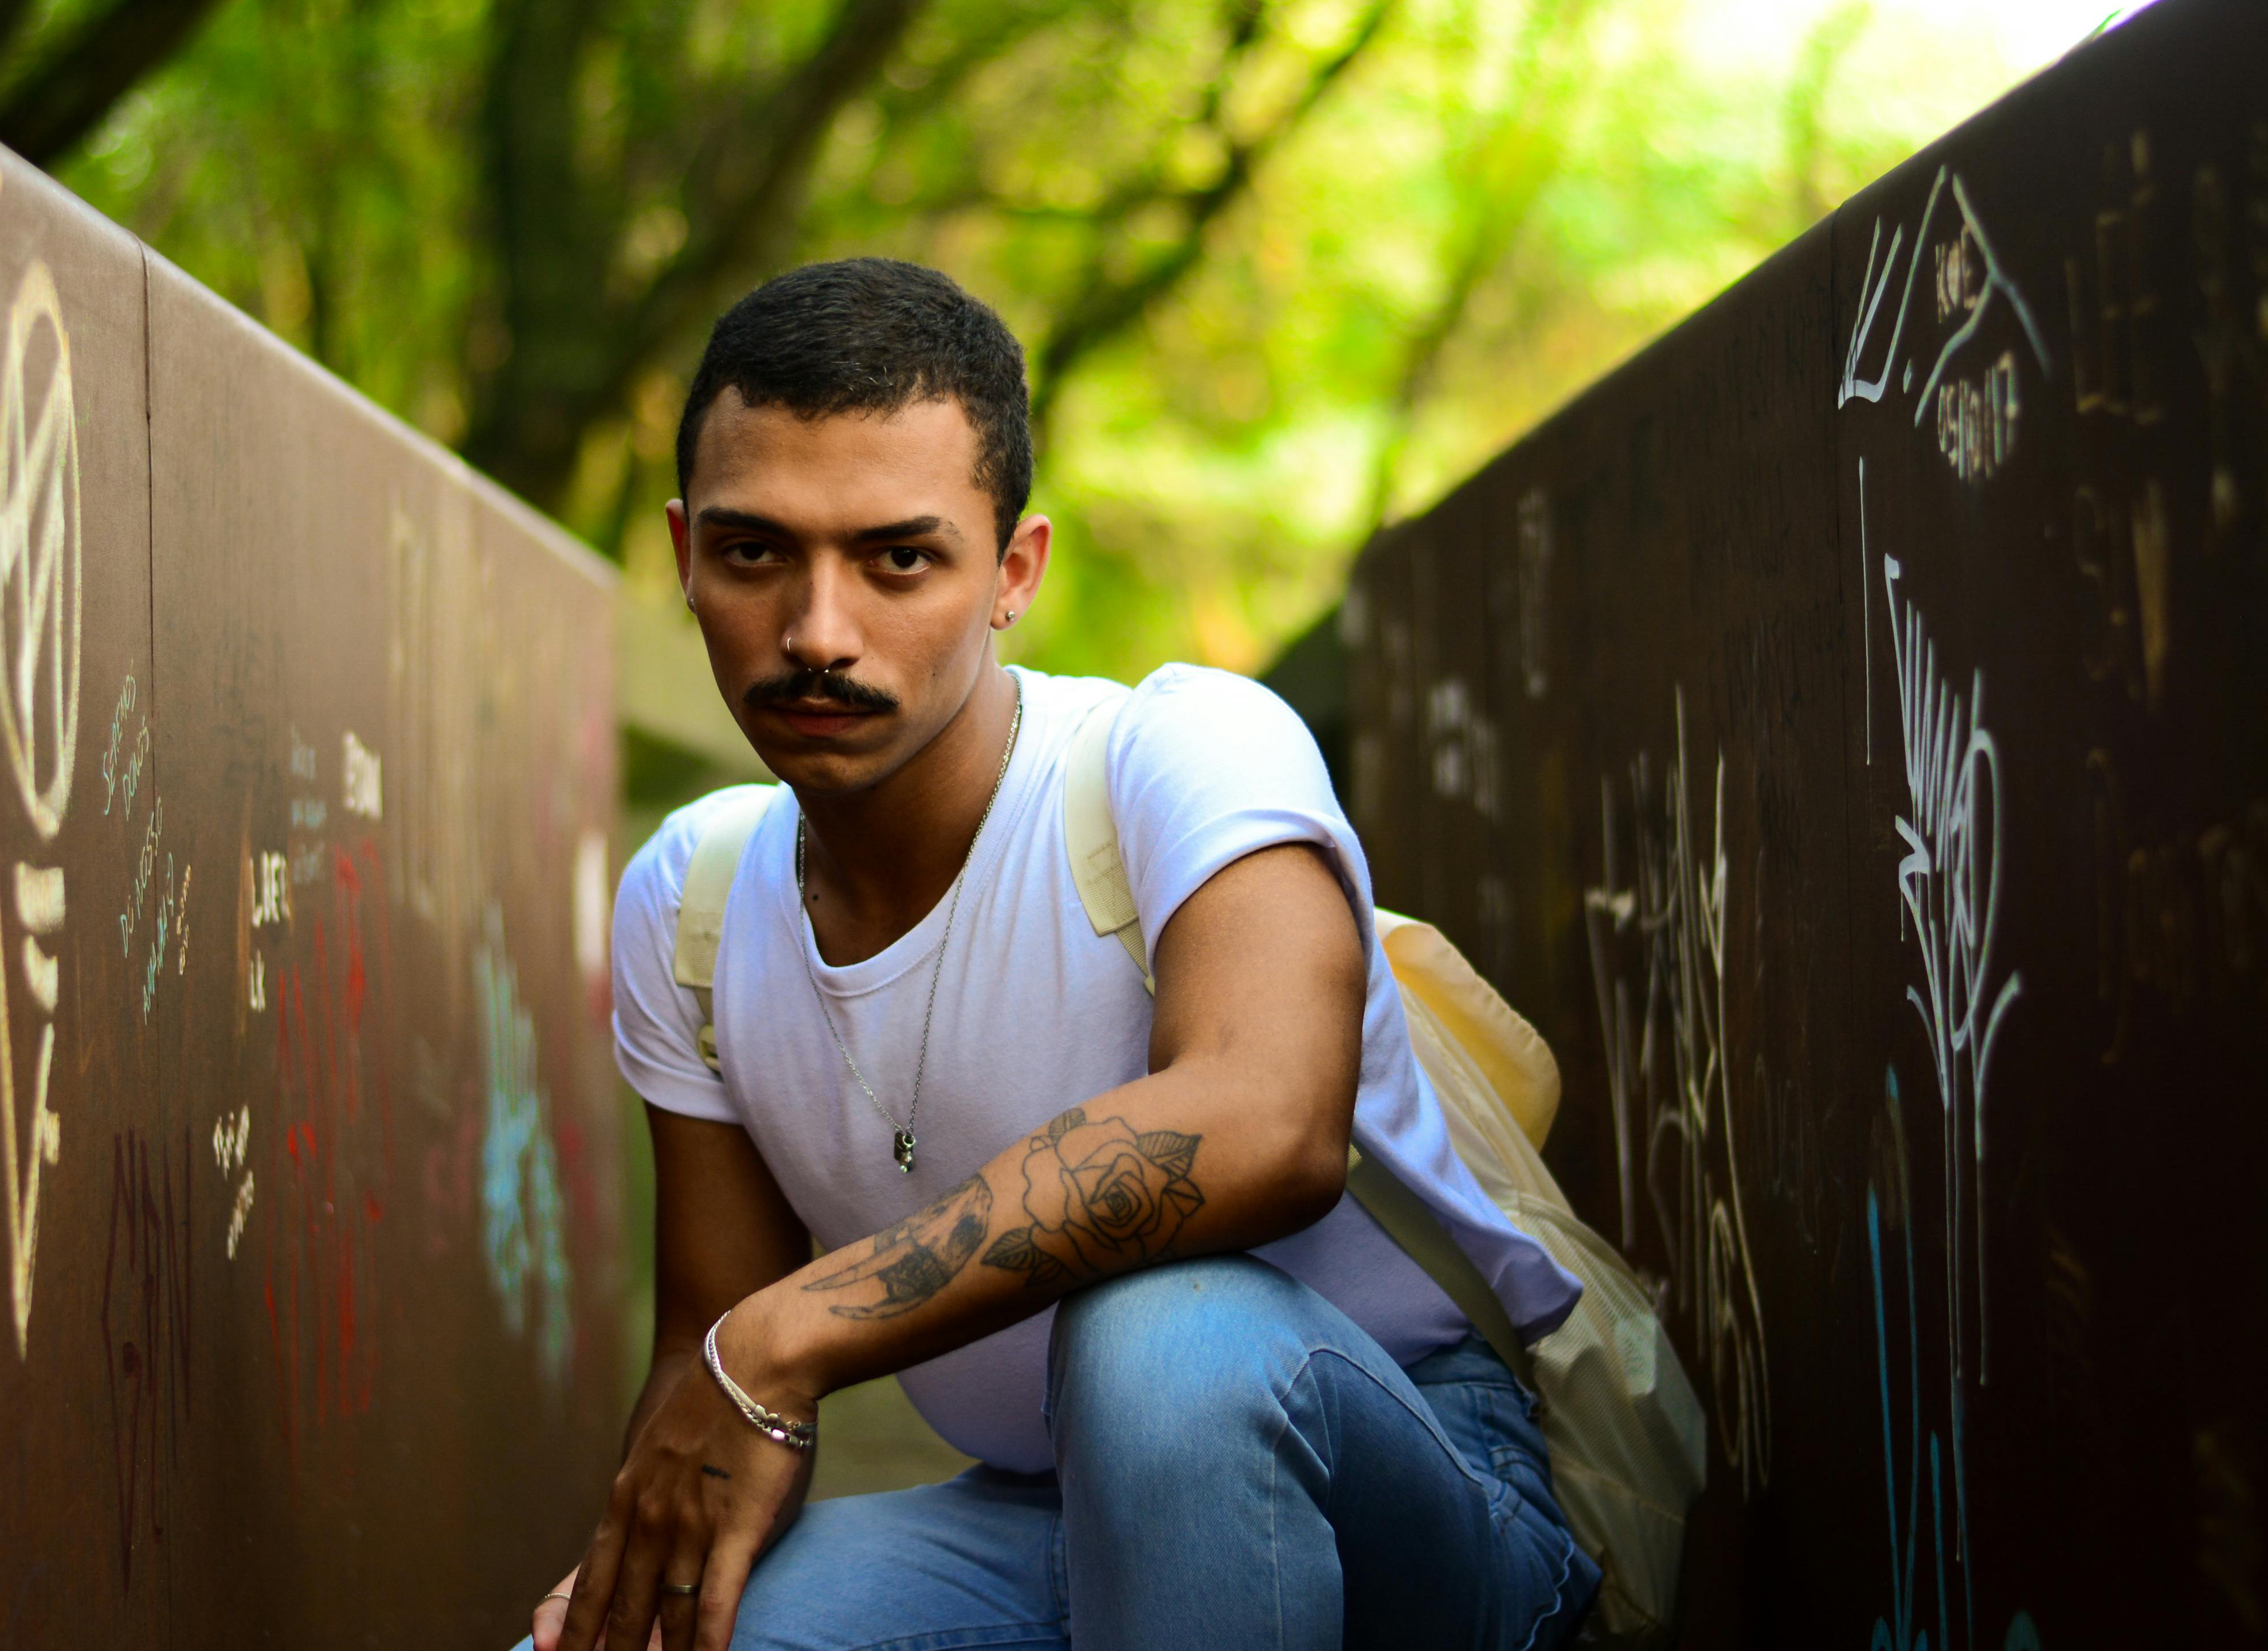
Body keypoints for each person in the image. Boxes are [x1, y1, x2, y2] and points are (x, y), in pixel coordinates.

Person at [526, 258, 1600, 1651]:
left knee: (1162, 1339)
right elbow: (713, 1355)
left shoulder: (1184, 754)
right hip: (1035, 1522)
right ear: (683, 556)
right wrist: (644, 1560)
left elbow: (1270, 1126)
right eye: (753, 554)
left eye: (898, 558)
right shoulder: (698, 895)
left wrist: (787, 1334)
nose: (816, 634)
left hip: (1419, 1508)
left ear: (1012, 570)